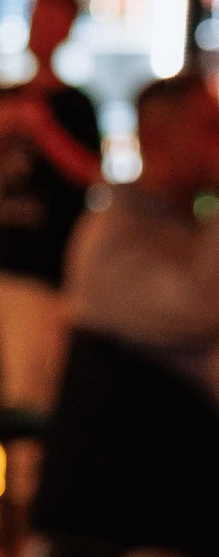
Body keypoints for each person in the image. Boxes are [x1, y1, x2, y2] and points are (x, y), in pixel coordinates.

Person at [0, 0, 103, 410]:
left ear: (68, 29)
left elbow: (91, 174)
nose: (42, 31)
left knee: (26, 396)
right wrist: (2, 127)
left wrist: (43, 129)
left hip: (42, 274)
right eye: (38, 19)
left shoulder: (76, 104)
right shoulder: (9, 96)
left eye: (52, 21)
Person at [66, 71, 219, 401]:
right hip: (157, 428)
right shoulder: (113, 240)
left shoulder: (187, 221)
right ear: (155, 140)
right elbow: (204, 309)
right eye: (211, 128)